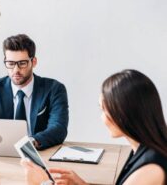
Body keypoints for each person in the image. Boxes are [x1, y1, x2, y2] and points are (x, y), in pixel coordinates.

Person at [21, 69, 167, 185]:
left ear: (125, 111)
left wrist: (43, 183)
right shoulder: (143, 151)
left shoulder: (150, 170)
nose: (102, 117)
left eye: (104, 109)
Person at [0, 34, 69, 149]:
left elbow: (59, 128)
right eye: (10, 63)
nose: (16, 70)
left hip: (38, 152)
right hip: (3, 152)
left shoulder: (54, 89)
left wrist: (32, 141)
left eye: (22, 63)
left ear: (33, 62)